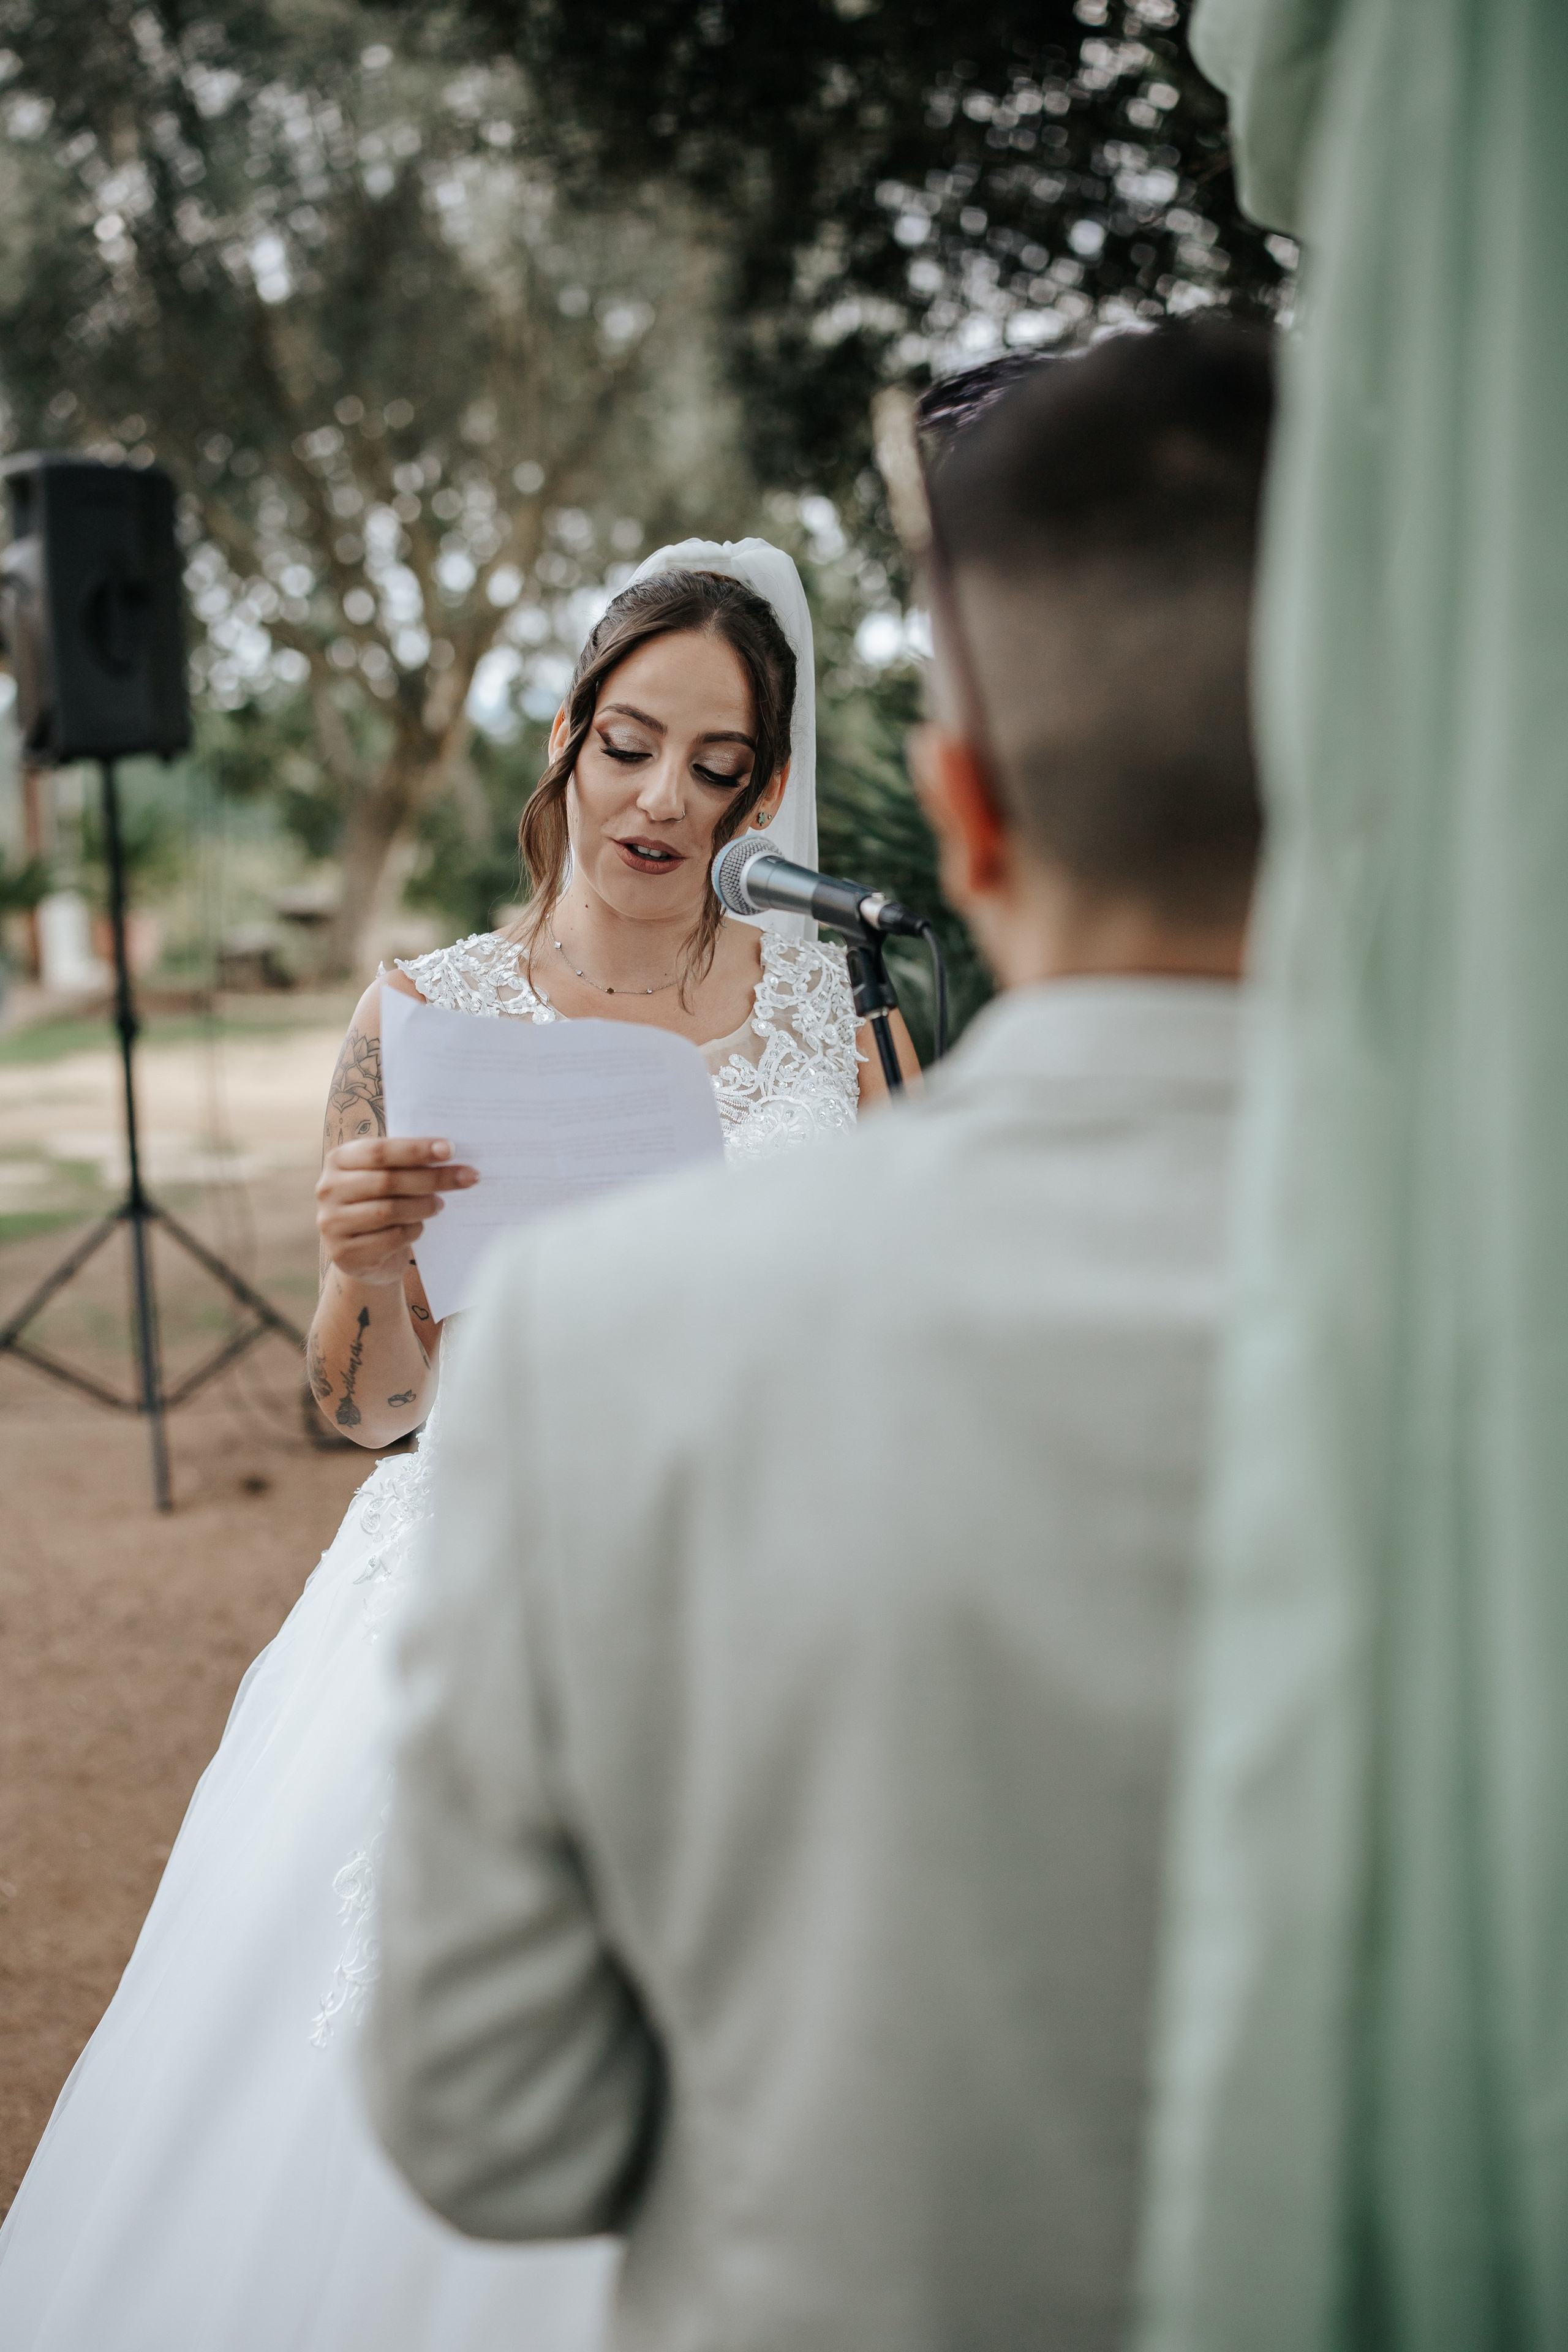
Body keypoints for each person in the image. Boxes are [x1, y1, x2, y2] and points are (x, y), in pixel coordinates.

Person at [364, 318, 1275, 2352]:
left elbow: (493, 2125)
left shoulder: (591, 1353)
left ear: (956, 809)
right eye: (631, 743)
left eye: (713, 763)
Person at [0, 541, 912, 2350]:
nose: (660, 799)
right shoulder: (425, 1017)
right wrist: (366, 1267)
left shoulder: (840, 1009)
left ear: (767, 788)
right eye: (629, 742)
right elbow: (364, 1413)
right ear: (567, 740)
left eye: (716, 764)